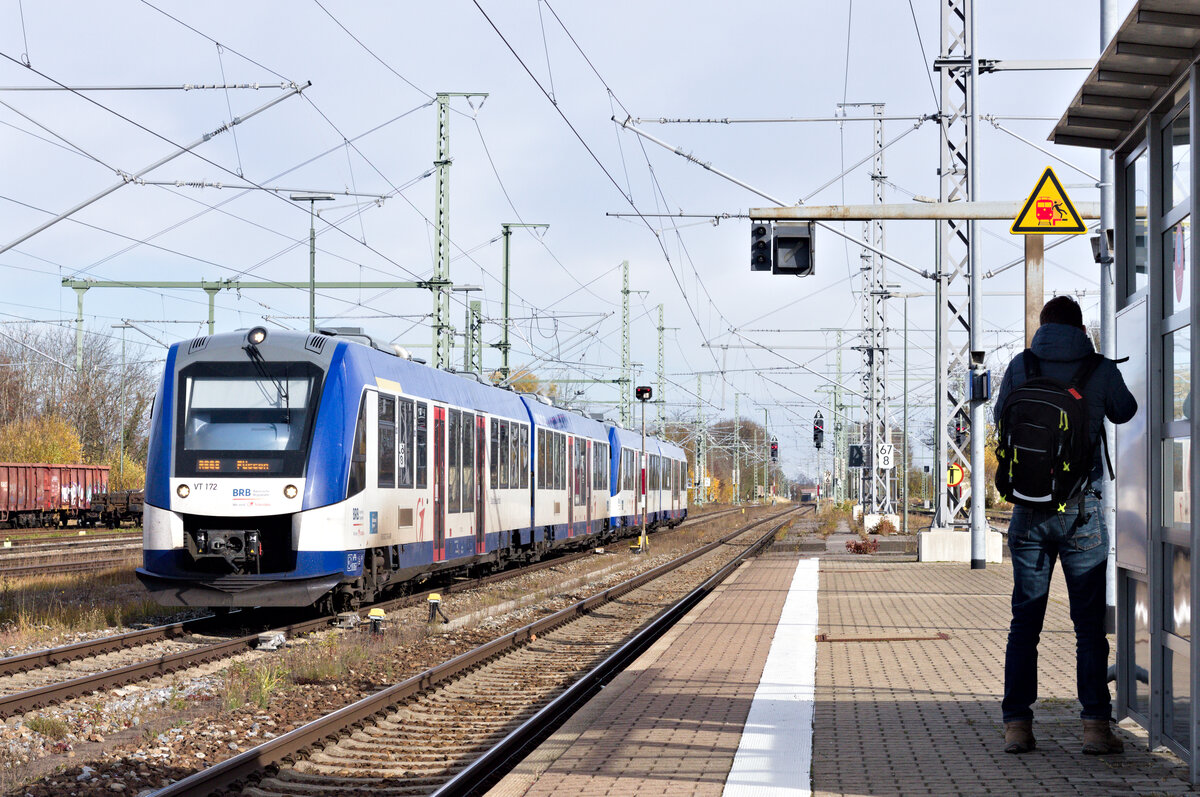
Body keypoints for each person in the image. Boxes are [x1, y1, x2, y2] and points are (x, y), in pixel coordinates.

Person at [995, 296, 1137, 756]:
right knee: (1089, 628)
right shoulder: (1098, 369)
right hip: (1083, 514)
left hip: (1029, 512)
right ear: (1081, 329)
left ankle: (1017, 725)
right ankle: (1095, 727)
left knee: (1025, 622)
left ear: (1043, 327)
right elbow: (1125, 411)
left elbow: (1001, 417)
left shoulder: (1021, 365)